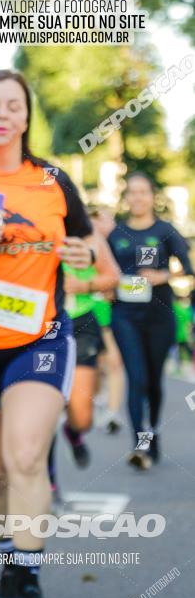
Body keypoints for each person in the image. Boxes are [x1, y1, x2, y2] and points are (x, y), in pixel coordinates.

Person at [0, 70, 97, 598]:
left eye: (16, 104)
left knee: (27, 457)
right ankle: (10, 560)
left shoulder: (54, 180)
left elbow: (85, 243)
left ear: (28, 117)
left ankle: (30, 581)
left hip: (40, 336)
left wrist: (81, 253)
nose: (5, 113)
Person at [108, 173, 194, 469]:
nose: (138, 197)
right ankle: (139, 445)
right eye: (132, 192)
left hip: (160, 315)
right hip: (125, 316)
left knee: (154, 384)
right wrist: (108, 284)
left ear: (151, 195)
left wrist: (163, 275)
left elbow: (188, 269)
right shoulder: (116, 234)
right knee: (137, 378)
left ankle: (153, 433)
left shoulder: (165, 230)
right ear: (126, 197)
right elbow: (106, 272)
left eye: (143, 192)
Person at [60, 232, 120, 467]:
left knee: (83, 418)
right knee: (41, 412)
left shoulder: (88, 235)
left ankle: (74, 433)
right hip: (39, 322)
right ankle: (49, 485)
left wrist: (84, 285)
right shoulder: (28, 227)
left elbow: (112, 278)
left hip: (81, 321)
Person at [90, 208, 125, 435]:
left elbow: (130, 282)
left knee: (114, 362)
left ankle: (113, 412)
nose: (105, 223)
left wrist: (114, 287)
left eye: (106, 219)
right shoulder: (80, 244)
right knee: (92, 365)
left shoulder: (122, 247)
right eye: (98, 219)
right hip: (83, 315)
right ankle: (93, 399)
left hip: (111, 316)